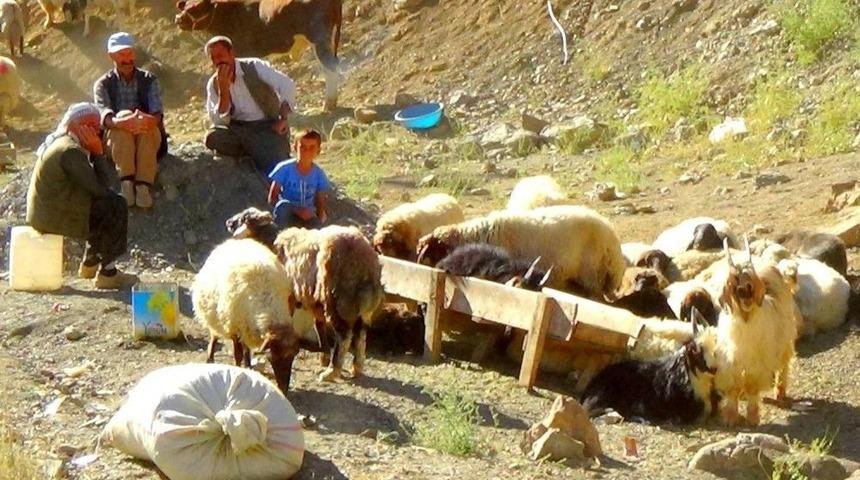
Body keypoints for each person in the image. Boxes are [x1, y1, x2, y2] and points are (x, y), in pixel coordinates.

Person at [27, 102, 138, 290]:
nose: (96, 131)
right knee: (115, 204)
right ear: (73, 126)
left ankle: (90, 262)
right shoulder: (70, 151)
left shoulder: (68, 144)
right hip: (50, 216)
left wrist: (95, 152)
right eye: (90, 126)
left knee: (104, 203)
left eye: (97, 127)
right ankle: (108, 274)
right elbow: (100, 188)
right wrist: (97, 153)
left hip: (52, 209)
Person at [93, 31, 166, 209]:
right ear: (111, 56)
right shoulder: (103, 84)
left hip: (146, 134)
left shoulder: (149, 80)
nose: (126, 59)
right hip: (116, 139)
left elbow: (157, 113)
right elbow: (105, 117)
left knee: (146, 124)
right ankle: (126, 183)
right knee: (123, 116)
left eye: (128, 53)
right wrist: (124, 122)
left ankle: (142, 186)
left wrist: (144, 120)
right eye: (120, 55)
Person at [203, 35, 296, 174]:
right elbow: (218, 119)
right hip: (238, 129)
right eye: (213, 58)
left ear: (231, 53)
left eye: (220, 55)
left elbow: (287, 85)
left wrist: (283, 119)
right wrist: (224, 90)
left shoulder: (254, 67)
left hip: (266, 125)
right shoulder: (213, 84)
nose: (218, 61)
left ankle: (257, 153)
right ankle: (255, 151)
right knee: (212, 138)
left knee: (277, 162)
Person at [267, 129, 330, 229]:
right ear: (295, 148)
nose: (307, 151)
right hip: (288, 213)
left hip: (308, 215)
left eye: (312, 148)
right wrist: (296, 210)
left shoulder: (319, 174)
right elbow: (272, 198)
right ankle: (281, 235)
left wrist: (319, 216)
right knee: (282, 205)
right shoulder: (284, 168)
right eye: (303, 147)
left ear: (318, 150)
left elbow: (321, 200)